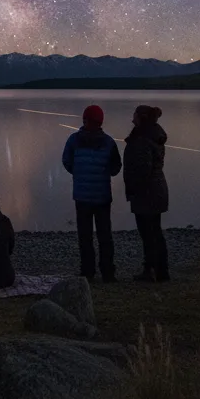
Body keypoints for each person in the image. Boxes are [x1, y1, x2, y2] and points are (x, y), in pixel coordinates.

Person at [62, 104, 122, 283]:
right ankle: (107, 273)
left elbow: (66, 162)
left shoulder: (73, 140)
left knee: (85, 236)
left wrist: (79, 174)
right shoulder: (109, 142)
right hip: (102, 195)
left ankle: (88, 272)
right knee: (104, 236)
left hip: (82, 196)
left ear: (86, 120)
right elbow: (116, 168)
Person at [123, 104, 169, 282]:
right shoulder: (152, 135)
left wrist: (134, 188)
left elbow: (143, 169)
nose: (131, 117)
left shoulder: (142, 139)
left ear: (141, 117)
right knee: (154, 232)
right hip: (156, 190)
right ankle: (158, 270)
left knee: (149, 233)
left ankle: (156, 272)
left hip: (147, 192)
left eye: (134, 114)